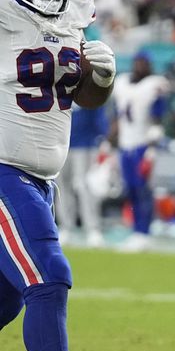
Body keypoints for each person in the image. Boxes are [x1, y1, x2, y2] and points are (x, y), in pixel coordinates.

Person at [0, 0, 116, 351]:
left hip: (43, 178)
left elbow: (82, 96)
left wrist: (102, 78)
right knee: (50, 276)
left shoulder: (76, 10)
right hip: (5, 171)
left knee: (6, 302)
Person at [112, 51, 169, 252]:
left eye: (144, 63)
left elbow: (158, 117)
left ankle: (144, 232)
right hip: (125, 144)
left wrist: (152, 149)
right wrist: (110, 142)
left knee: (143, 190)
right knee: (131, 190)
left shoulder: (154, 84)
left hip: (143, 144)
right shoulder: (122, 83)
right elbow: (117, 115)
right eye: (138, 62)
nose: (140, 66)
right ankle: (137, 231)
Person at [56, 104, 109, 248]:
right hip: (61, 143)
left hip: (85, 144)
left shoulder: (83, 84)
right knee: (62, 186)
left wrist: (102, 137)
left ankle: (92, 229)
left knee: (85, 187)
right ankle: (66, 227)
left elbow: (97, 106)